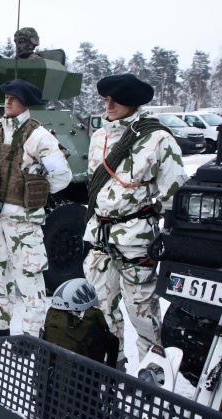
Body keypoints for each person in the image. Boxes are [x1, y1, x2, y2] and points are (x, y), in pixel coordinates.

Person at [83, 74, 188, 370]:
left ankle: (152, 379)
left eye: (117, 99)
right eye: (106, 99)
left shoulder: (157, 138)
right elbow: (96, 186)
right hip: (100, 237)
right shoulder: (99, 137)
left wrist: (170, 240)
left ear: (134, 102)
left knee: (142, 314)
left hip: (136, 240)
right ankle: (110, 371)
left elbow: (174, 195)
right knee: (100, 309)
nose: (110, 104)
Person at [0, 79, 72, 339]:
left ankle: (30, 332)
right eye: (6, 96)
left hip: (24, 221)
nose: (7, 101)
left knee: (29, 277)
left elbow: (62, 175)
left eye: (13, 98)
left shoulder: (39, 136)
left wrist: (37, 192)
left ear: (25, 102)